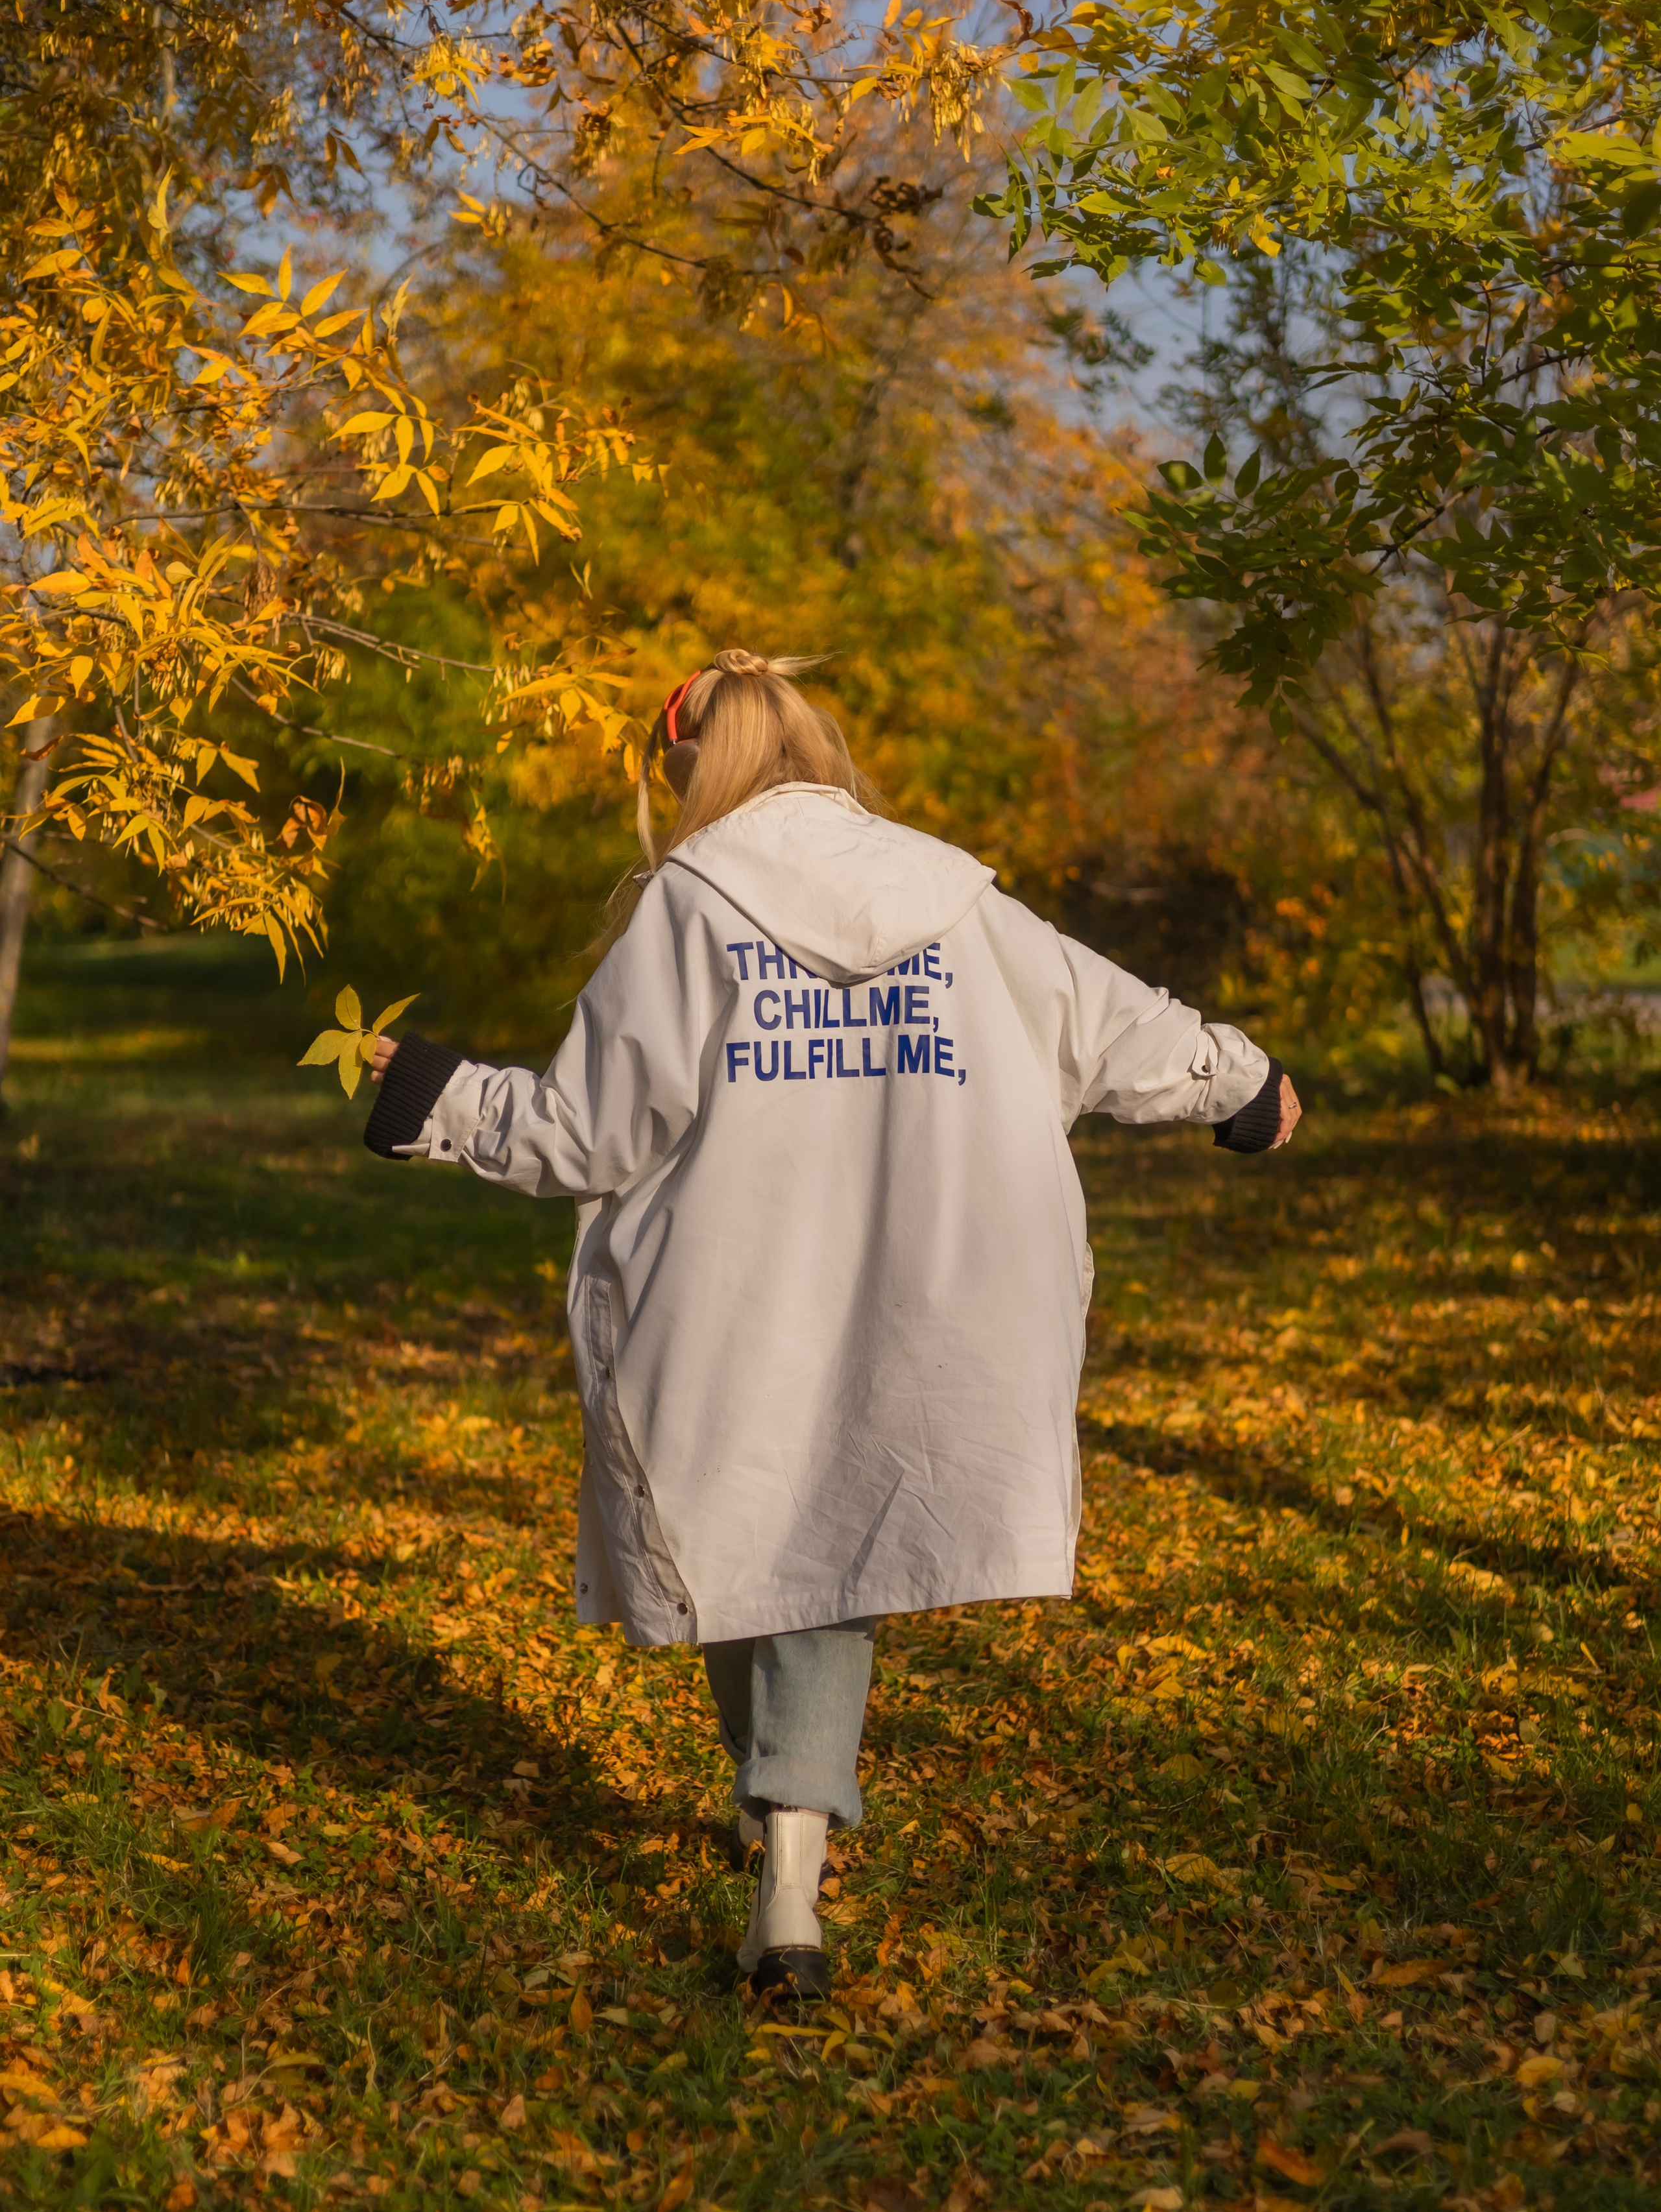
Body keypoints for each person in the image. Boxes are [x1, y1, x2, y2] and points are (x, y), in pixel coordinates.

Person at [363, 648, 1302, 2001]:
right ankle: (781, 1838)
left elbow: (584, 1130)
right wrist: (1242, 1079)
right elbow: (1111, 1027)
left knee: (764, 1535)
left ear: (688, 770)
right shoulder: (955, 895)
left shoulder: (689, 906)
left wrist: (437, 1100)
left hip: (740, 1288)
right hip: (935, 1287)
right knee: (807, 1553)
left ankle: (784, 1870)